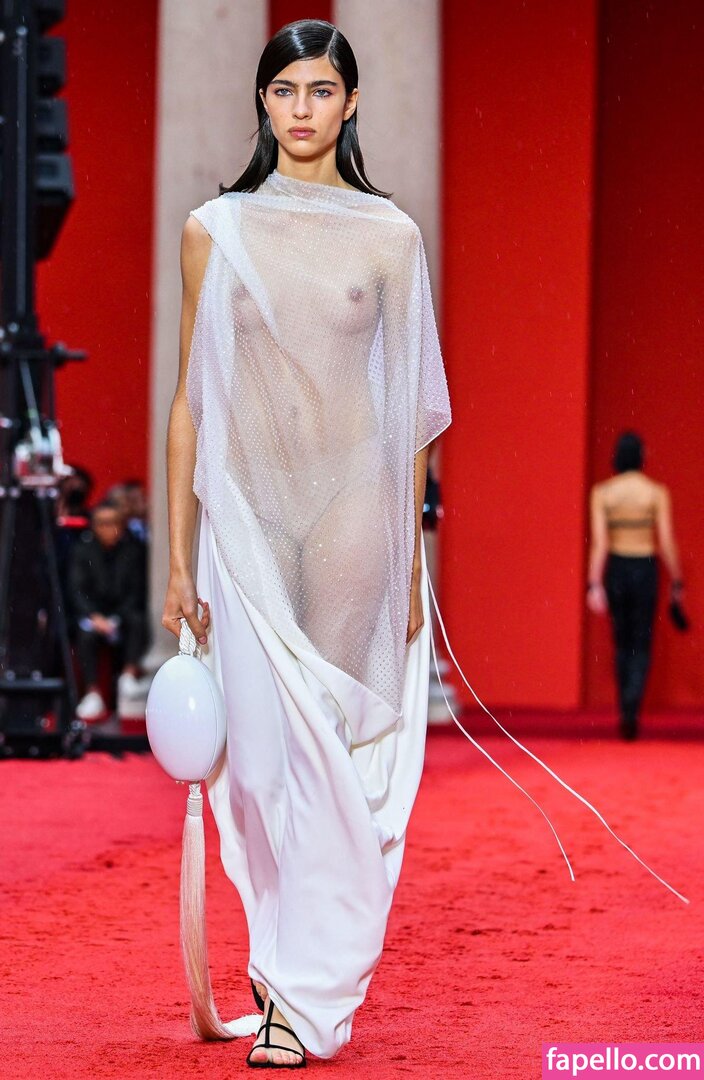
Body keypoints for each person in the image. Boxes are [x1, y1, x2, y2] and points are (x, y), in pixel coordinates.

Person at [161, 18, 689, 1069]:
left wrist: (411, 558)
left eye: (320, 90)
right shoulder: (214, 230)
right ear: (262, 102)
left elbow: (407, 416)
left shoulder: (390, 238)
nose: (301, 108)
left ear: (350, 103)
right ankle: (285, 952)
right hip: (248, 515)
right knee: (256, 767)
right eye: (284, 90)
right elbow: (190, 403)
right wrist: (178, 558)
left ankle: (304, 996)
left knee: (334, 750)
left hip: (354, 516)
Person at [586, 430, 684, 740]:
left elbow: (600, 543)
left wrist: (593, 583)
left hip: (617, 567)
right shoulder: (655, 492)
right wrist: (677, 579)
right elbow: (665, 541)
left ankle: (625, 706)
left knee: (621, 638)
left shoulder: (603, 493)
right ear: (642, 456)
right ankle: (632, 702)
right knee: (641, 639)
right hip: (644, 567)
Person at [70, 497, 150, 720]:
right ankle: (92, 693)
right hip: (94, 616)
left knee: (138, 621)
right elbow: (76, 589)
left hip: (123, 614)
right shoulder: (83, 550)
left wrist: (117, 618)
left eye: (113, 523)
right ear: (94, 526)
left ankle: (128, 678)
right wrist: (94, 617)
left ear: (122, 525)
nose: (108, 529)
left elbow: (137, 590)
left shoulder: (134, 550)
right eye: (102, 524)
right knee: (84, 634)